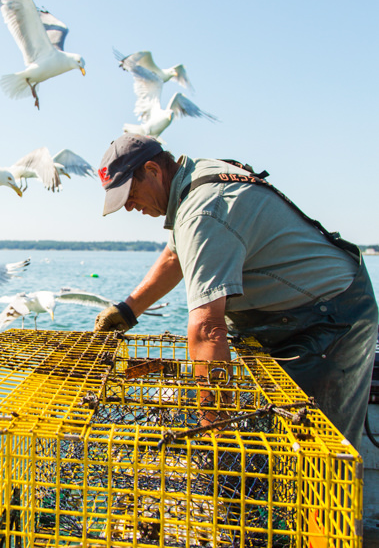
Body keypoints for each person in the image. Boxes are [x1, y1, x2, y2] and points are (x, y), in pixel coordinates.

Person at [94, 133, 378, 450]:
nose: (130, 207)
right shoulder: (193, 182)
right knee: (272, 444)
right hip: (292, 318)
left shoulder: (203, 211)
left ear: (153, 170)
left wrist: (213, 434)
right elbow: (175, 256)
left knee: (313, 452)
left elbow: (206, 329)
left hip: (330, 320)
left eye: (129, 193)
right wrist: (128, 310)